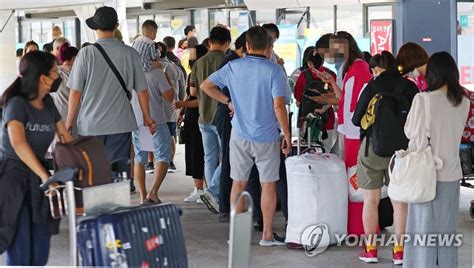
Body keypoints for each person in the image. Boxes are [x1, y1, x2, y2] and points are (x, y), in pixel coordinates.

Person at [201, 25, 291, 246]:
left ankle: (236, 236)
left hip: (239, 135)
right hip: (267, 136)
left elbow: (206, 86)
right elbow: (279, 106)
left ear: (247, 45)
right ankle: (267, 235)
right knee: (268, 185)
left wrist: (227, 101)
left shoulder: (233, 67)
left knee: (238, 184)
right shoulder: (274, 71)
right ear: (269, 47)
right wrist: (287, 134)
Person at [0, 51, 73, 265]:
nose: (58, 75)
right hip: (13, 179)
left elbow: (65, 137)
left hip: (39, 181)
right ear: (42, 78)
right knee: (21, 253)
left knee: (40, 251)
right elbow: (18, 143)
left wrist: (83, 160)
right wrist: (44, 176)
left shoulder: (48, 102)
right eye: (54, 71)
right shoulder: (16, 104)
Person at [66, 6, 155, 173]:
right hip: (120, 125)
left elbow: (75, 91)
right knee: (117, 176)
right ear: (117, 25)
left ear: (95, 27)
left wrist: (69, 121)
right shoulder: (131, 54)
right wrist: (147, 117)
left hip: (90, 126)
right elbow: (142, 90)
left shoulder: (85, 54)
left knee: (93, 174)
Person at [351, 51, 419, 265]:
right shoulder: (409, 87)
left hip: (373, 149)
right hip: (401, 154)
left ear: (375, 69)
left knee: (370, 200)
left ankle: (371, 250)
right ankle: (399, 252)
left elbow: (355, 120)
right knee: (399, 202)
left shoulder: (371, 86)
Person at [403, 51, 469, 267]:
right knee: (447, 234)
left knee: (423, 234)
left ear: (432, 74)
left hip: (426, 174)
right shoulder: (463, 102)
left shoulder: (423, 100)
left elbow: (412, 135)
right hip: (451, 174)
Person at [190, 26, 231, 214]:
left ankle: (210, 193)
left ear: (209, 41)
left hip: (203, 116)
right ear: (227, 43)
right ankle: (214, 191)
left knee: (209, 158)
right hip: (222, 117)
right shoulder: (228, 61)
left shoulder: (198, 63)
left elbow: (192, 92)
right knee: (227, 157)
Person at [131, 38, 174, 205]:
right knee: (163, 155)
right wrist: (165, 75)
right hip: (156, 122)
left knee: (140, 159)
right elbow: (169, 96)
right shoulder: (157, 73)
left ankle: (142, 196)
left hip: (138, 121)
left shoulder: (131, 73)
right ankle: (153, 192)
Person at [211, 31, 247, 222]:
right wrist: (228, 102)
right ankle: (225, 206)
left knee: (234, 160)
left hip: (233, 115)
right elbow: (210, 86)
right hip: (227, 116)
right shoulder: (231, 62)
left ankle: (231, 205)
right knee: (229, 160)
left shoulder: (236, 61)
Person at [174, 44, 209, 203]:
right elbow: (190, 96)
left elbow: (197, 99)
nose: (190, 58)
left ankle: (203, 189)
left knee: (198, 153)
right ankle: (200, 188)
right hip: (191, 116)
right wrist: (182, 112)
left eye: (193, 55)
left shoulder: (199, 74)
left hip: (197, 117)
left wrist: (184, 105)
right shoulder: (194, 74)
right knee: (196, 153)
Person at [156, 41, 186, 173]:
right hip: (172, 107)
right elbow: (182, 88)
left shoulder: (149, 68)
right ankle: (170, 162)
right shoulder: (173, 67)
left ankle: (153, 162)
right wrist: (179, 104)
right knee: (171, 134)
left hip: (154, 109)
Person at [51, 42, 79, 136]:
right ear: (75, 58)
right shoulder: (78, 73)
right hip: (76, 115)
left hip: (57, 115)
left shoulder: (54, 72)